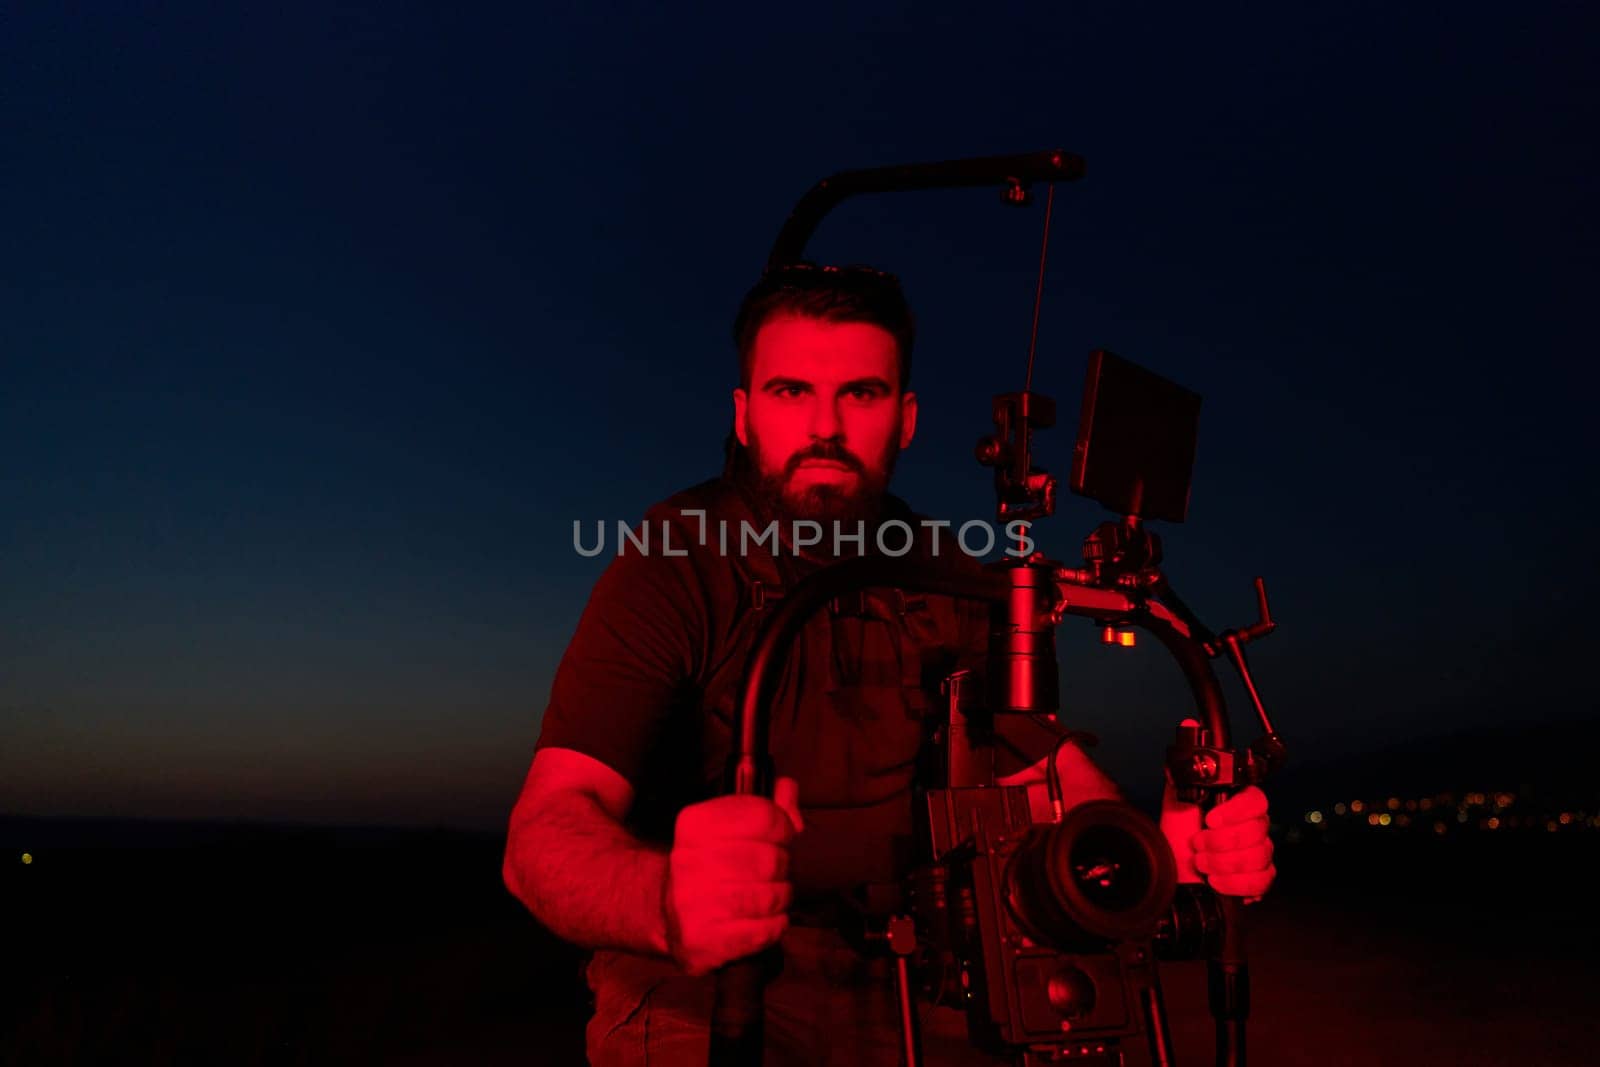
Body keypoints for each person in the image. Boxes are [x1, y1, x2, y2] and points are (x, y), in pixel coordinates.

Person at [502, 263, 1276, 1065]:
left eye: (861, 394)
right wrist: (664, 903)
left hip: (914, 968)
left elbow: (1042, 770)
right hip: (698, 975)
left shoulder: (945, 572)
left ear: (905, 419)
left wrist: (1155, 854)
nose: (825, 426)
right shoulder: (675, 559)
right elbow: (543, 833)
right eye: (790, 391)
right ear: (743, 415)